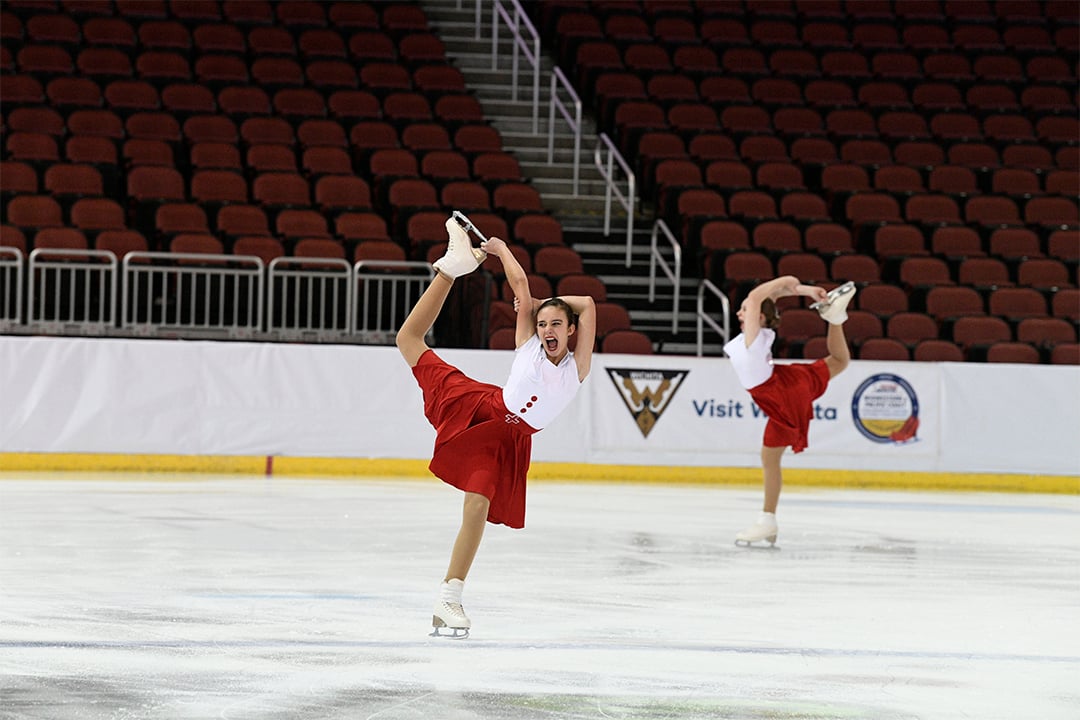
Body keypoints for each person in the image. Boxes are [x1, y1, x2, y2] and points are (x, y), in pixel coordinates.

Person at [395, 215, 596, 637]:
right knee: (408, 341)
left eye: (557, 324)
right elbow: (520, 287)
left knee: (478, 506)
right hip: (483, 409)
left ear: (572, 330)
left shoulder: (578, 367)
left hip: (511, 438)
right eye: (542, 325)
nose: (547, 330)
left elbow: (588, 304)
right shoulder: (527, 346)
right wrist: (502, 253)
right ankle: (450, 270)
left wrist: (551, 304)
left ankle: (449, 595)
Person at [722, 276, 857, 547]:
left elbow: (760, 294)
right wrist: (807, 290)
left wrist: (788, 281)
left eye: (744, 310)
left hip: (781, 393)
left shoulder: (753, 337)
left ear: (759, 317)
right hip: (782, 386)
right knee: (839, 362)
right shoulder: (756, 331)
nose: (740, 312)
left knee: (769, 458)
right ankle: (835, 317)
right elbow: (774, 294)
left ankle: (767, 520)